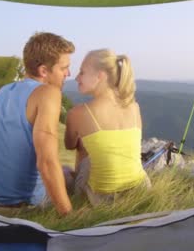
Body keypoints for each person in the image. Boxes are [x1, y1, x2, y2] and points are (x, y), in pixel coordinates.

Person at [0, 32, 74, 215]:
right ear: (44, 71)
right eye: (64, 68)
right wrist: (70, 216)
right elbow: (46, 162)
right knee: (67, 173)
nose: (68, 73)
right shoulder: (48, 93)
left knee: (61, 171)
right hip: (21, 207)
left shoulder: (5, 90)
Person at [64, 49, 150, 206]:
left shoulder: (77, 113)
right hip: (141, 189)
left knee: (70, 162)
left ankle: (78, 198)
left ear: (100, 76)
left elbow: (69, 145)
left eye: (82, 72)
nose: (76, 78)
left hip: (101, 199)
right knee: (97, 146)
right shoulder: (134, 106)